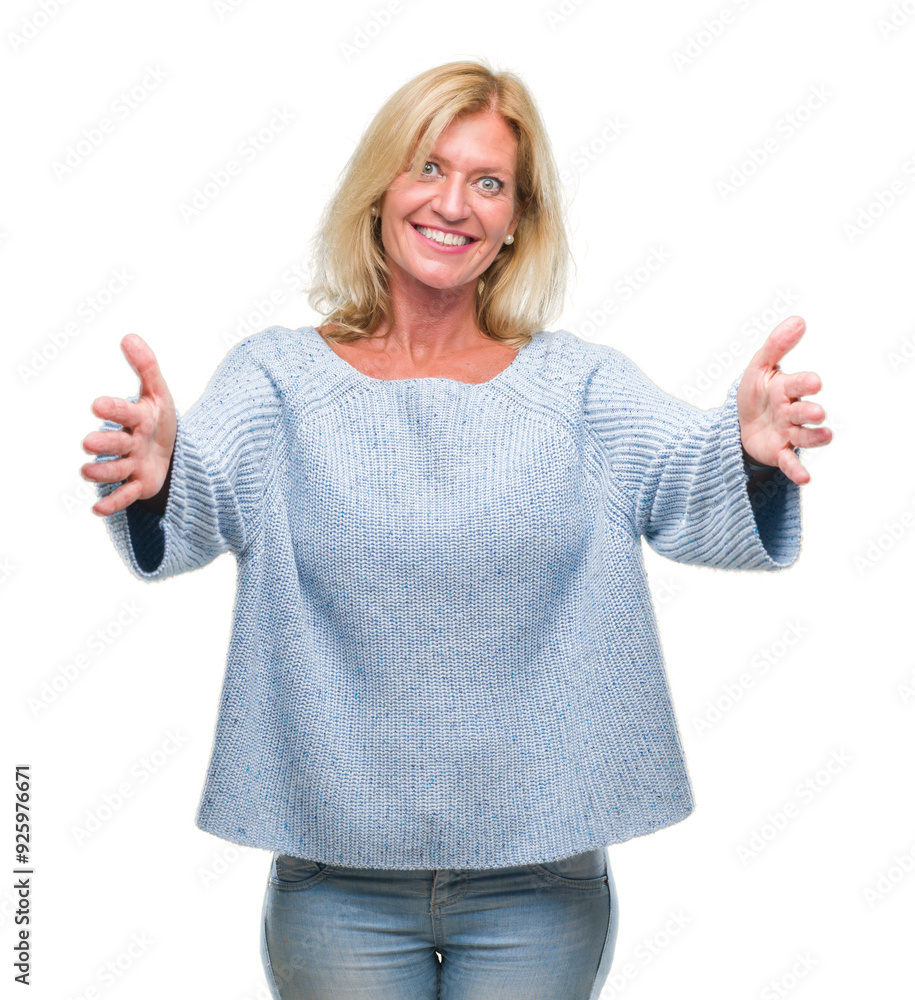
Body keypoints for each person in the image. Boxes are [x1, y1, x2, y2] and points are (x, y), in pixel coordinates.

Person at [80, 59, 831, 1000]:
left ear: (518, 219)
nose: (454, 202)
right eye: (428, 168)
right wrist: (158, 472)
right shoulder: (276, 385)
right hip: (335, 879)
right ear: (379, 189)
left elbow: (686, 481)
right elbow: (203, 494)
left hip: (541, 882)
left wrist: (748, 450)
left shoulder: (580, 390)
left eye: (489, 182)